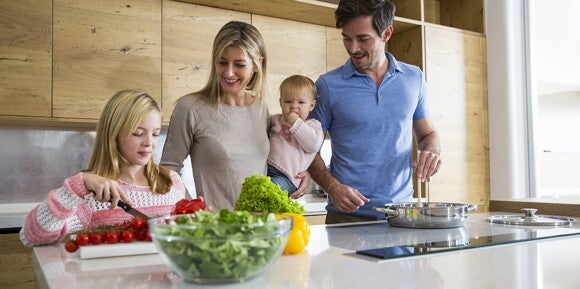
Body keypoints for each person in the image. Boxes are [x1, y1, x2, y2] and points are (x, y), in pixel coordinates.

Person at [307, 0, 442, 224]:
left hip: (402, 215)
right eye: (346, 38)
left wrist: (432, 152)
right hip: (346, 217)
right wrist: (333, 188)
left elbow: (428, 135)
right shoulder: (328, 85)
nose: (353, 48)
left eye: (362, 39)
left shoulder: (413, 78)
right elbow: (307, 149)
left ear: (386, 33)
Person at [160, 21, 310, 210]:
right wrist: (194, 208)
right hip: (216, 230)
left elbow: (279, 154)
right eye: (222, 62)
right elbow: (167, 171)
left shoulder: (261, 109)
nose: (229, 72)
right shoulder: (190, 108)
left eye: (239, 64)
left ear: (257, 64)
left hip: (260, 228)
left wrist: (302, 174)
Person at [19, 89, 187, 246]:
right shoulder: (93, 193)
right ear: (113, 133)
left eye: (156, 134)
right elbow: (31, 237)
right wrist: (79, 185)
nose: (149, 143)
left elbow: (186, 237)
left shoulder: (171, 181)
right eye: (137, 133)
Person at [267, 75, 324, 197]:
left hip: (289, 178)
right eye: (288, 101)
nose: (294, 106)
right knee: (257, 186)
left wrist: (295, 122)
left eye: (301, 102)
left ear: (312, 105)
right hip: (267, 169)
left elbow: (312, 146)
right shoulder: (276, 119)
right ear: (280, 103)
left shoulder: (314, 126)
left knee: (269, 191)